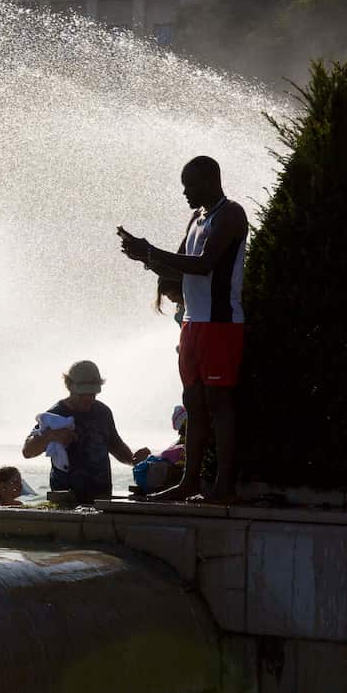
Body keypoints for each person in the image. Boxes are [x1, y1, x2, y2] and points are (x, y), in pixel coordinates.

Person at [119, 155, 248, 502]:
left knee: (219, 403)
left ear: (210, 180)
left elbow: (205, 265)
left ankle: (223, 485)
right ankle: (189, 482)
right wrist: (144, 257)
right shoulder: (196, 218)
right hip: (192, 323)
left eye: (190, 185)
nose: (185, 193)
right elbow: (179, 270)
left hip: (221, 324)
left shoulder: (231, 214)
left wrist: (151, 250)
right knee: (194, 403)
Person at [22, 360, 145, 504]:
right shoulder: (56, 415)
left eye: (92, 394)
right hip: (66, 500)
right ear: (69, 387)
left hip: (101, 498)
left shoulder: (102, 412)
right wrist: (50, 436)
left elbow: (115, 445)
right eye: (82, 394)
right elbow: (27, 451)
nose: (87, 399)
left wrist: (135, 460)